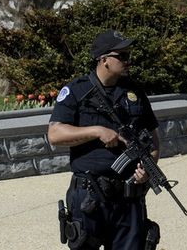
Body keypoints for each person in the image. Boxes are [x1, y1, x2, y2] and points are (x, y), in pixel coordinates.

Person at [47, 29, 161, 250]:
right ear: (104, 59)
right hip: (90, 197)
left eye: (129, 55)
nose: (128, 61)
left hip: (128, 197)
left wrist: (147, 169)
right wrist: (96, 131)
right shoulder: (77, 90)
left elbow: (153, 139)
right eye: (122, 56)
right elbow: (55, 134)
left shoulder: (134, 92)